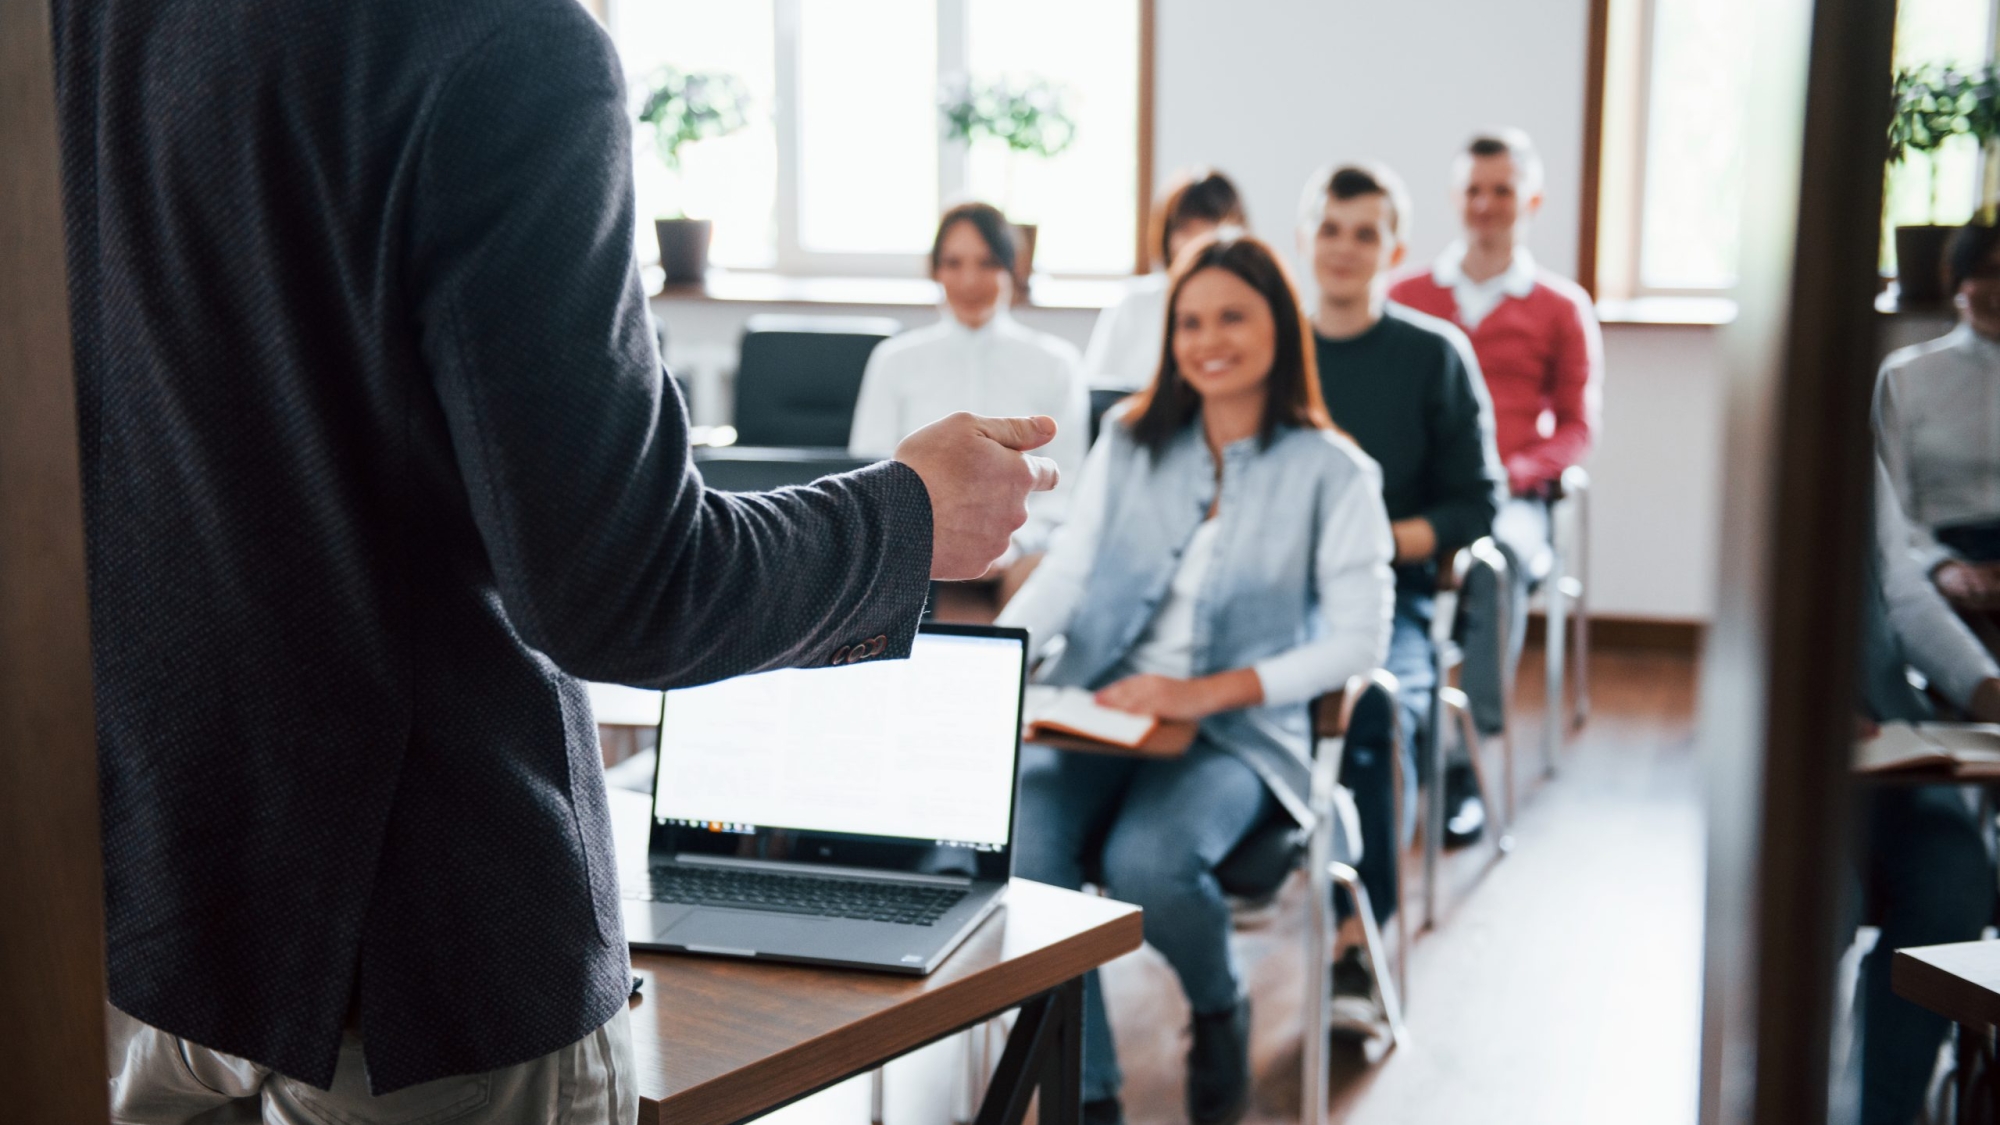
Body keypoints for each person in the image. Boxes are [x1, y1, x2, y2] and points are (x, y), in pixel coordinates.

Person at [54, 2, 1059, 1121]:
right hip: (425, 966)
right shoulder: (500, 43)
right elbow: (626, 591)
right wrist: (908, 519)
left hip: (159, 913)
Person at [999, 233, 1395, 1125]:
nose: (1208, 338)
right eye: (1190, 321)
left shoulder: (1335, 472)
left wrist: (1201, 693)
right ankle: (1087, 1091)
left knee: (1152, 859)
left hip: (1237, 733)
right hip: (1101, 705)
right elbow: (1068, 569)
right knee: (1027, 845)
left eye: (1232, 317)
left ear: (1280, 330)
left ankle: (1218, 1007)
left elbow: (1358, 641)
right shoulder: (1133, 438)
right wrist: (995, 664)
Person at [1300, 164, 1505, 911]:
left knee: (1376, 711)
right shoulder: (1268, 351)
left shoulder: (1434, 355)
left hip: (1392, 598)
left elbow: (1478, 505)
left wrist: (1372, 543)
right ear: (1304, 238)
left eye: (1365, 233)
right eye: (1329, 229)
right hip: (1274, 597)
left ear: (1395, 248)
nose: (1344, 248)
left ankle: (1359, 937)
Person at [1389, 128, 1603, 835]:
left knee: (1496, 560)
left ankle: (1460, 752)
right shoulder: (1407, 294)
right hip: (1420, 494)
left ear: (1530, 199)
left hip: (1511, 497)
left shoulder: (1560, 305)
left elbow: (1577, 425)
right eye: (1473, 190)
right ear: (1456, 198)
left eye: (1501, 191)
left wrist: (1519, 470)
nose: (1486, 205)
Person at [1850, 462, 2000, 1125]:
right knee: (1824, 899)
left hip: (1891, 736)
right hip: (1794, 757)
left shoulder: (1860, 447)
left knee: (1957, 879)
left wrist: (1985, 688)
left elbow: (1901, 591)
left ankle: (1881, 1110)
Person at [849, 202, 1089, 603]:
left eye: (987, 262)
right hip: (915, 550)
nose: (969, 280)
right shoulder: (895, 360)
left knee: (1046, 581)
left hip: (1018, 553)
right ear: (936, 271)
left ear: (1012, 268)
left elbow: (1069, 485)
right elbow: (869, 468)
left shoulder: (1056, 364)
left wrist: (1012, 544)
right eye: (954, 263)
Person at [1874, 223, 2000, 642]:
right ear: (1956, 279)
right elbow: (1889, 502)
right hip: (1938, 552)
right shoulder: (1906, 375)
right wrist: (1940, 566)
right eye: (1988, 271)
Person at [1082, 169, 1251, 393]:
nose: (1197, 240)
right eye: (1184, 228)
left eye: (1209, 224)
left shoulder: (1254, 304)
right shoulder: (1134, 305)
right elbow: (1097, 391)